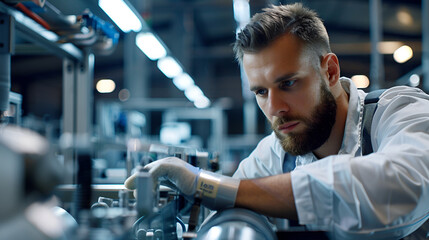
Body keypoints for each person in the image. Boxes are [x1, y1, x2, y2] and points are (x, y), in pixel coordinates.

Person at [125, 3, 429, 239]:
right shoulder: (273, 155)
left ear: (331, 72)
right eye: (260, 91)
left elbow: (404, 185)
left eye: (288, 84)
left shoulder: (399, 111)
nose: (274, 108)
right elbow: (224, 210)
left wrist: (209, 185)